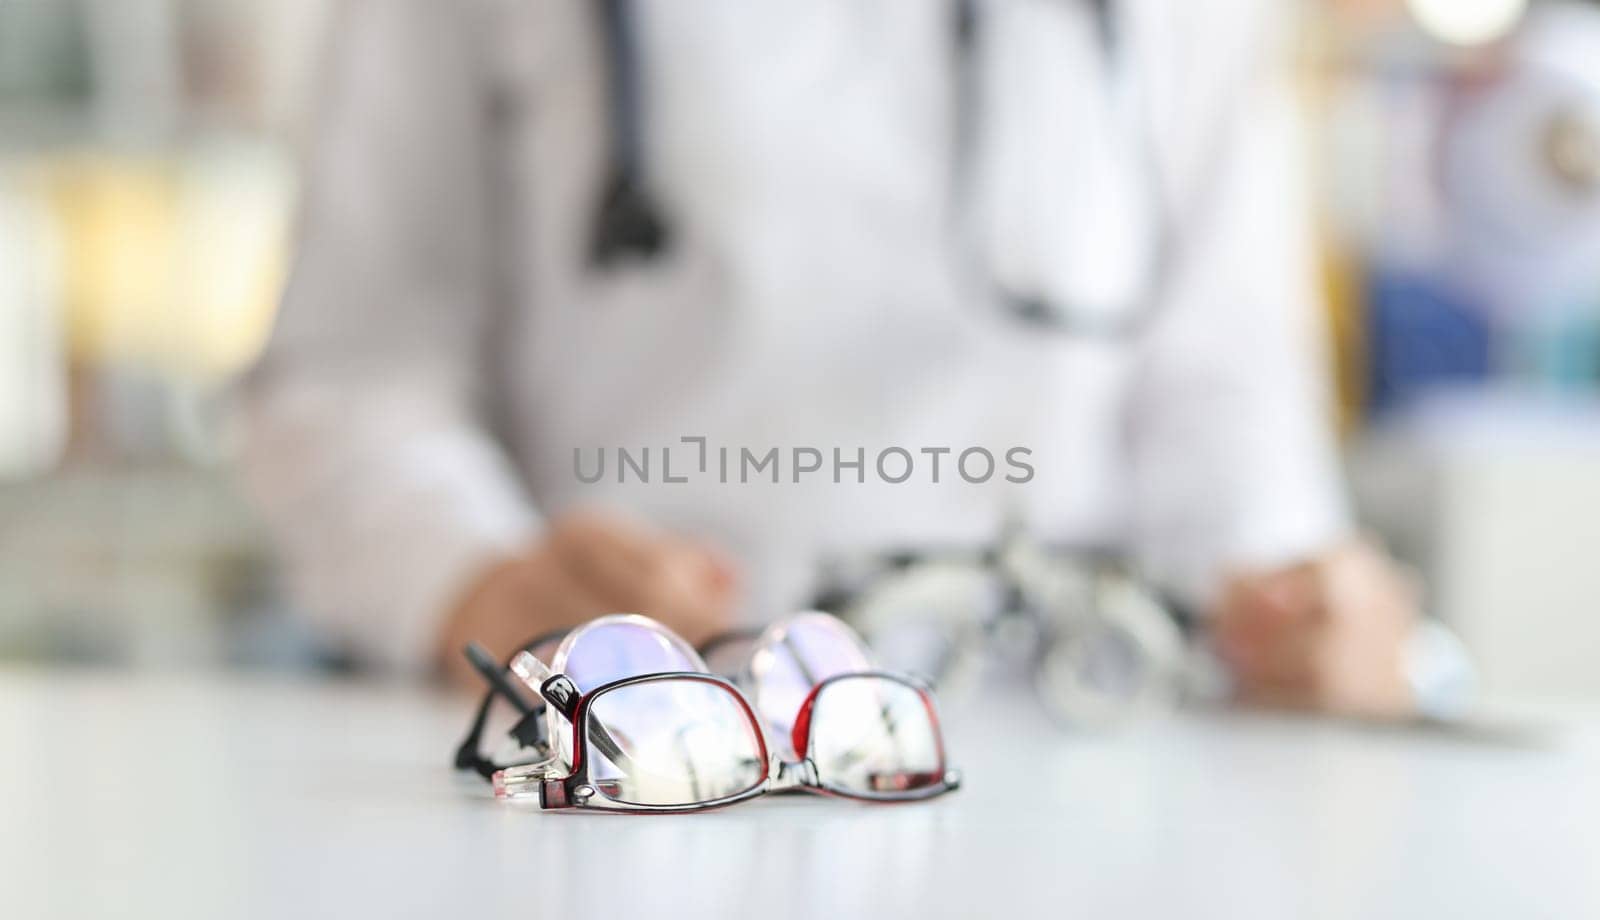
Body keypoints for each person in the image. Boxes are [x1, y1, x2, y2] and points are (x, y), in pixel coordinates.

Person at [242, 0, 1417, 717]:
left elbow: (1224, 389)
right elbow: (349, 366)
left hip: (1084, 749)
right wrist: (479, 579)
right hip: (644, 747)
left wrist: (1297, 612)